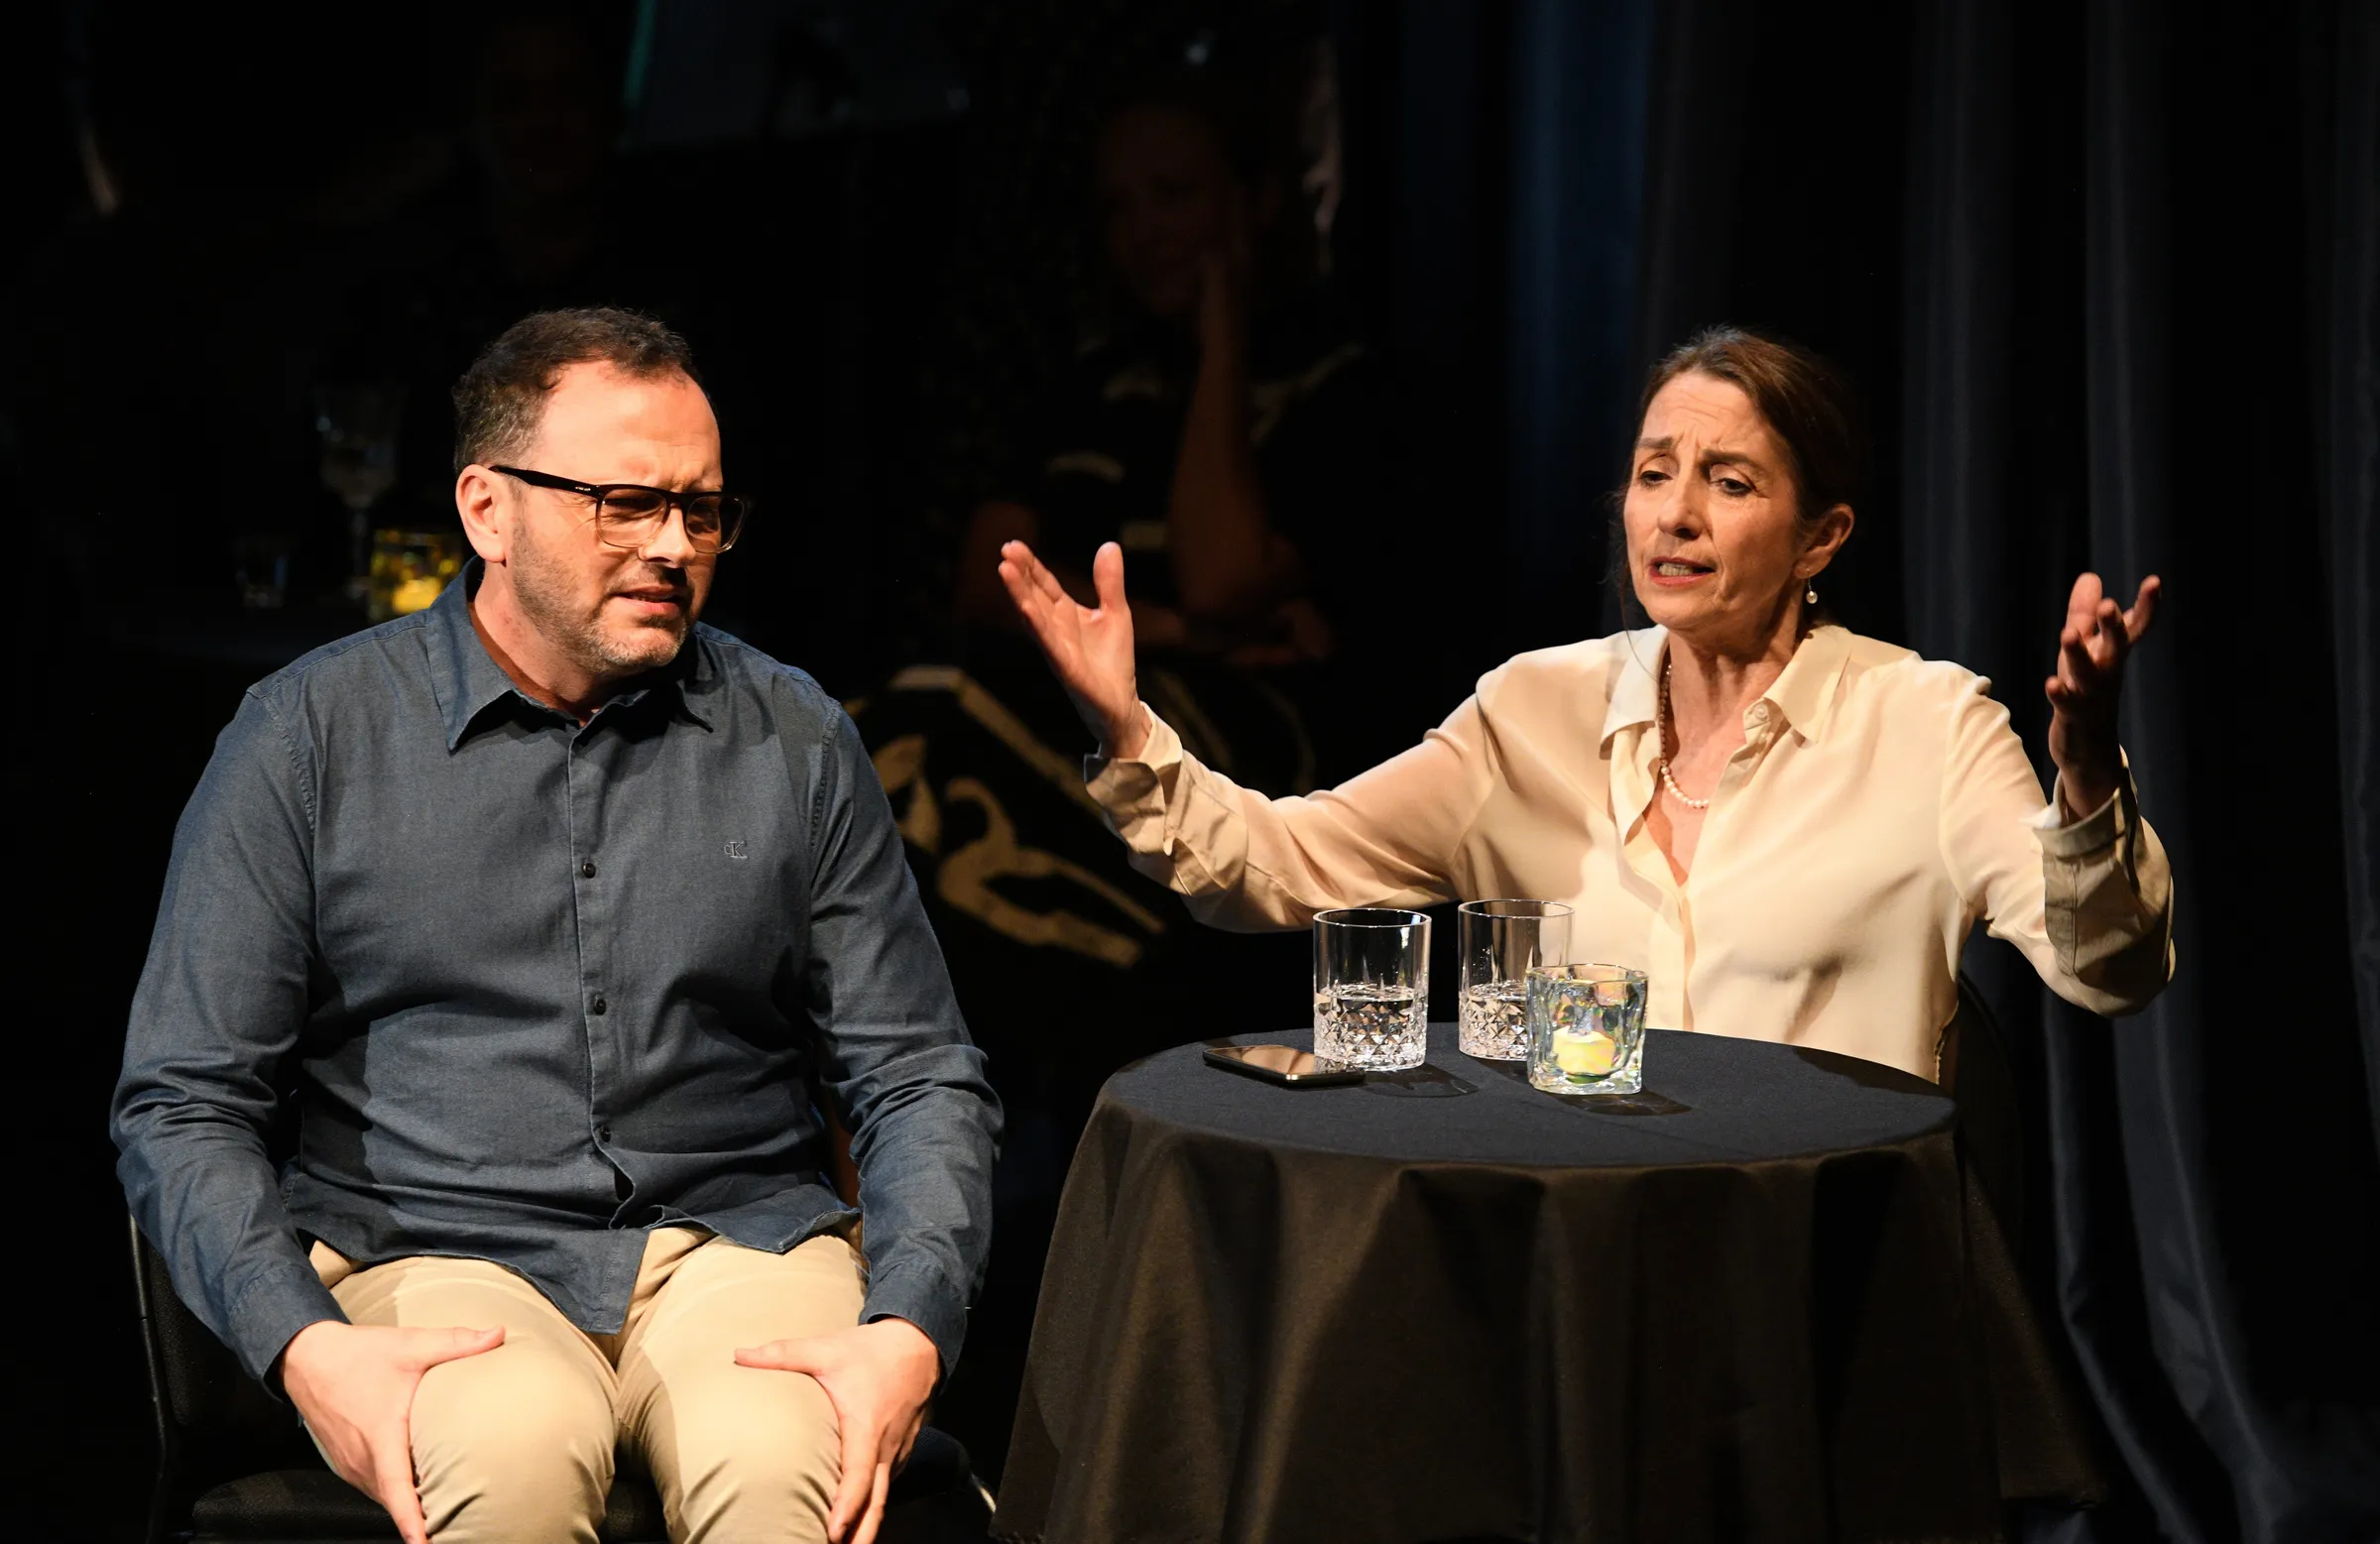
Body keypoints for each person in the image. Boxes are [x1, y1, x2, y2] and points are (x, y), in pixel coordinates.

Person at [113, 307, 1001, 1544]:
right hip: (431, 1247)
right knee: (513, 1452)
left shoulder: (792, 736)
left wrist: (908, 1324)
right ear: (488, 510)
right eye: (626, 503)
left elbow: (917, 1074)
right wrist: (303, 1345)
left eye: (703, 511)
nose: (674, 545)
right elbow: (184, 1099)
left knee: (780, 1462)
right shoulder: (310, 737)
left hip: (739, 1247)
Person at [997, 326, 2173, 1081]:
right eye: (1655, 473)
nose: (1677, 514)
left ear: (1821, 539)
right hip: (1584, 1257)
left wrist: (2083, 776)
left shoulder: (1927, 725)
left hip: (1828, 1267)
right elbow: (1278, 866)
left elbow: (2108, 971)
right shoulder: (1533, 713)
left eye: (1729, 482)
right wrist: (1126, 729)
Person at [954, 70, 1373, 671]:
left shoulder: (1334, 385)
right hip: (1066, 694)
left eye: (1173, 195)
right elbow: (989, 581)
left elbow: (1221, 584)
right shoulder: (1088, 386)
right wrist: (1178, 632)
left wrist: (1221, 338)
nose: (1142, 233)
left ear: (1254, 202)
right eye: (1116, 208)